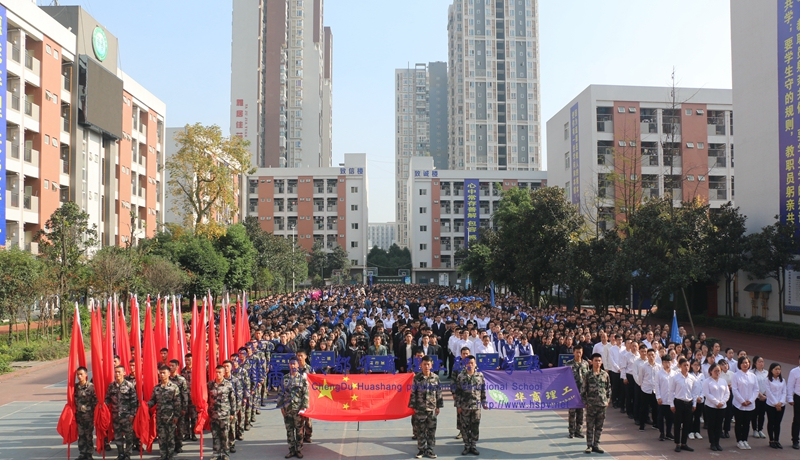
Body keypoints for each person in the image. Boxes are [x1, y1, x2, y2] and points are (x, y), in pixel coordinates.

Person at [409, 355, 443, 459]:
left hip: (432, 409)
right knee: (420, 430)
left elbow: (439, 393)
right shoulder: (417, 378)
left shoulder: (435, 378)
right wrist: (413, 407)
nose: (426, 366)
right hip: (420, 409)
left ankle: (430, 450)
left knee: (431, 430)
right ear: (421, 365)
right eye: (424, 364)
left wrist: (438, 406)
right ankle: (421, 450)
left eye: (428, 364)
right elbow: (413, 393)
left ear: (431, 365)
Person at [276, 357, 309, 459]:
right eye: (291, 364)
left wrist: (303, 409)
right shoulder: (285, 378)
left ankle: (298, 450)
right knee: (289, 431)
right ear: (289, 365)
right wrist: (281, 407)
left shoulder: (302, 379)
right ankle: (291, 450)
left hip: (298, 409)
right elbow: (280, 393)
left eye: (294, 364)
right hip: (287, 409)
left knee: (299, 431)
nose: (293, 366)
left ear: (298, 365)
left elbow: (306, 395)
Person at [453, 356, 487, 455]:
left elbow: (483, 390)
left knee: (475, 426)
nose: (470, 365)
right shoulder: (461, 376)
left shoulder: (480, 375)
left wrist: (484, 402)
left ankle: (473, 445)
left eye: (472, 363)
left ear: (475, 364)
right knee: (465, 427)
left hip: (476, 407)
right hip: (464, 406)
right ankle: (467, 446)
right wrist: (458, 406)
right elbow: (458, 392)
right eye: (468, 363)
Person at [148, 365, 181, 460]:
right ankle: (163, 456)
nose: (162, 375)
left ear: (168, 374)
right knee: (161, 438)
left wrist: (176, 416)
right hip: (160, 416)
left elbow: (177, 403)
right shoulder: (156, 388)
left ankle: (170, 456)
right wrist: (145, 405)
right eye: (160, 373)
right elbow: (152, 401)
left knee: (170, 438)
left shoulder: (174, 387)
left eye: (164, 373)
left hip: (170, 417)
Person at [106, 365, 138, 460]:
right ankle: (121, 453)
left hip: (127, 416)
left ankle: (128, 454)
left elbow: (134, 401)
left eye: (119, 372)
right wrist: (103, 405)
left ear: (124, 373)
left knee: (128, 436)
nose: (117, 374)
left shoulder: (129, 385)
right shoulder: (111, 386)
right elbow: (108, 398)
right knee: (118, 436)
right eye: (116, 372)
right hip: (116, 415)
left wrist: (132, 414)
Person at [581, 353, 611, 454]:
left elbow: (609, 389)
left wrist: (607, 400)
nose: (598, 363)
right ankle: (589, 445)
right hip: (591, 405)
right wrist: (585, 402)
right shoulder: (588, 375)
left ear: (601, 362)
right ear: (592, 362)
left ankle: (596, 444)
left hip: (602, 405)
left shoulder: (605, 375)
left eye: (599, 361)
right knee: (590, 426)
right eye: (596, 361)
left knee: (599, 426)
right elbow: (583, 390)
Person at [208, 364, 236, 460]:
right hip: (213, 414)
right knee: (215, 435)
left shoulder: (228, 385)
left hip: (224, 414)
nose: (218, 374)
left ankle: (225, 454)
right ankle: (216, 454)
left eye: (220, 372)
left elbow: (232, 400)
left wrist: (232, 413)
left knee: (225, 436)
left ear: (224, 373)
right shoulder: (210, 384)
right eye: (216, 372)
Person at [669, 358, 696, 452]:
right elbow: (671, 391)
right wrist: (671, 404)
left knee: (687, 424)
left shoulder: (692, 378)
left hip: (688, 403)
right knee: (677, 424)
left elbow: (694, 392)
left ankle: (684, 443)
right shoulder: (675, 378)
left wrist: (694, 403)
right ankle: (677, 443)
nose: (686, 367)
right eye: (684, 365)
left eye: (688, 365)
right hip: (678, 402)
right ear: (680, 366)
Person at [731, 356, 758, 450]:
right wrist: (742, 401)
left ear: (749, 364)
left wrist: (750, 400)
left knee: (747, 423)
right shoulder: (735, 375)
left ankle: (745, 440)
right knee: (739, 423)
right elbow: (735, 390)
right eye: (743, 363)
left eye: (747, 363)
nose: (745, 364)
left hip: (750, 405)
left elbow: (756, 390)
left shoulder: (753, 376)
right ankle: (739, 441)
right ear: (739, 364)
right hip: (739, 404)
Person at [703, 363, 729, 451]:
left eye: (719, 371)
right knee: (711, 425)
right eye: (715, 371)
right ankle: (712, 443)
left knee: (719, 425)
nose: (717, 373)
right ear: (711, 371)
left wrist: (722, 402)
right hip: (711, 407)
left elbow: (727, 393)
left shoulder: (723, 381)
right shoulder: (707, 381)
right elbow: (707, 394)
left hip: (722, 407)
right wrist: (716, 402)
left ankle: (717, 442)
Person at [74, 366, 97, 460]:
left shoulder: (91, 387)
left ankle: (89, 454)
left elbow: (95, 402)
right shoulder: (75, 387)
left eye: (81, 374)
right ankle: (82, 453)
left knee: (88, 435)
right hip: (78, 416)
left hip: (88, 416)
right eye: (78, 375)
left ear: (86, 375)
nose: (79, 376)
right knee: (81, 435)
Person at [566, 347, 589, 439]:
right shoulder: (569, 364)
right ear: (573, 353)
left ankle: (578, 431)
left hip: (582, 392)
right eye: (577, 352)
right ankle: (571, 431)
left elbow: (587, 377)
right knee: (572, 412)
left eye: (580, 352)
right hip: (572, 391)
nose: (578, 354)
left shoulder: (585, 364)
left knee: (581, 412)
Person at [167, 359, 189, 454]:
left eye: (172, 365)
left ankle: (178, 445)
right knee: (170, 428)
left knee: (179, 428)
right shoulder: (166, 378)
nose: (170, 367)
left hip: (179, 407)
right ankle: (170, 446)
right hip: (168, 408)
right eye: (169, 365)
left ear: (177, 367)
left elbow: (185, 394)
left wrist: (184, 408)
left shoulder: (181, 380)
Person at [765, 362, 788, 449]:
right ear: (771, 370)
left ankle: (777, 440)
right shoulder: (767, 380)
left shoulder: (782, 380)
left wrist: (781, 402)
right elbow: (769, 393)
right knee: (771, 422)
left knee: (778, 423)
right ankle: (771, 440)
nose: (778, 371)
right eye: (776, 369)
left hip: (781, 404)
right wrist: (775, 403)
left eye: (779, 369)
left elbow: (784, 392)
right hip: (771, 405)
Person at [637, 348, 659, 432]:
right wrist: (642, 386)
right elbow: (640, 378)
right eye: (649, 355)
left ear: (655, 356)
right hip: (646, 389)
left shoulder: (658, 367)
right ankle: (642, 425)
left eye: (652, 355)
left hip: (655, 390)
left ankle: (656, 424)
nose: (651, 357)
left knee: (655, 408)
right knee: (644, 408)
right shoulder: (643, 366)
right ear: (647, 356)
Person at [654, 355, 674, 442]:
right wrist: (658, 397)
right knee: (661, 417)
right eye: (665, 362)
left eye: (669, 362)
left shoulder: (675, 373)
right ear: (662, 363)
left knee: (670, 417)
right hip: (662, 398)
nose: (667, 364)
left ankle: (668, 432)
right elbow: (656, 386)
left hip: (671, 400)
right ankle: (662, 432)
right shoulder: (659, 374)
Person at [751, 356, 768, 439]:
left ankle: (760, 429)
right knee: (755, 414)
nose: (761, 363)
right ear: (755, 363)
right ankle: (755, 429)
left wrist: (764, 395)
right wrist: (760, 395)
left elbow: (768, 385)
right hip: (755, 397)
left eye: (762, 361)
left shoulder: (767, 373)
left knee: (762, 414)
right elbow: (753, 385)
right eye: (759, 362)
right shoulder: (752, 373)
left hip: (765, 397)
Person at [688, 359, 704, 441]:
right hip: (691, 399)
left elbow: (704, 388)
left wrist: (700, 397)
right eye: (695, 365)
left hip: (700, 400)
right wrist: (694, 398)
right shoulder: (689, 375)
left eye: (698, 365)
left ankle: (697, 431)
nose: (696, 366)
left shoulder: (702, 375)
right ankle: (690, 431)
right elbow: (689, 389)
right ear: (691, 365)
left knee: (697, 416)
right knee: (690, 416)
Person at [788, 355, 800, 449]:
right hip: (798, 397)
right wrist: (790, 398)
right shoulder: (794, 371)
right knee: (797, 419)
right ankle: (795, 440)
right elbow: (790, 385)